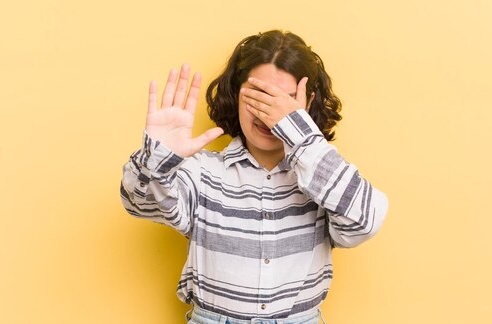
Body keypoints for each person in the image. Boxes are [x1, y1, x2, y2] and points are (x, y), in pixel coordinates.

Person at [120, 30, 389, 324]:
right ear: (237, 94)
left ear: (307, 103)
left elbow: (364, 222)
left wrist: (298, 133)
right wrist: (157, 157)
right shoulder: (203, 172)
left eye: (283, 101)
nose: (267, 113)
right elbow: (140, 203)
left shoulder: (325, 178)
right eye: (258, 96)